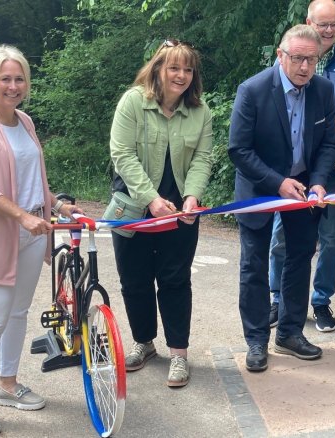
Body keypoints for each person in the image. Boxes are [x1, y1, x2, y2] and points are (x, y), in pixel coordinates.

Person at [0, 45, 83, 437]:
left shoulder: (25, 121)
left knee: (17, 314)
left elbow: (33, 181)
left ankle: (7, 386)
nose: (13, 86)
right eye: (5, 79)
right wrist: (24, 217)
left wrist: (56, 205)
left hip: (31, 235)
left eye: (19, 79)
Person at [229, 24, 335, 372]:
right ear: (281, 55)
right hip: (260, 188)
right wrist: (277, 183)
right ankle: (257, 340)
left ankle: (290, 333)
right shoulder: (253, 90)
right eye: (297, 58)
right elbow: (239, 150)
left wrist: (320, 182)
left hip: (305, 188)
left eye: (312, 59)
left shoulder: (322, 90)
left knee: (299, 258)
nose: (305, 67)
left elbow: (328, 145)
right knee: (254, 266)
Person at [109, 39, 212, 388]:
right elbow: (122, 154)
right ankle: (144, 344)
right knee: (135, 282)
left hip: (180, 216)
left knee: (175, 281)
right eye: (174, 67)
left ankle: (179, 354)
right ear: (158, 69)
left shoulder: (201, 111)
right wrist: (151, 199)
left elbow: (202, 158)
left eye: (187, 69)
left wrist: (192, 196)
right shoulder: (133, 102)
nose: (181, 75)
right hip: (134, 210)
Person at [268, 0, 335, 332]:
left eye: (334, 25)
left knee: (329, 235)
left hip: (334, 163)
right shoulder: (290, 56)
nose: (328, 30)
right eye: (322, 23)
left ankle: (321, 301)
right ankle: (277, 298)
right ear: (307, 21)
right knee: (283, 233)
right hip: (295, 165)